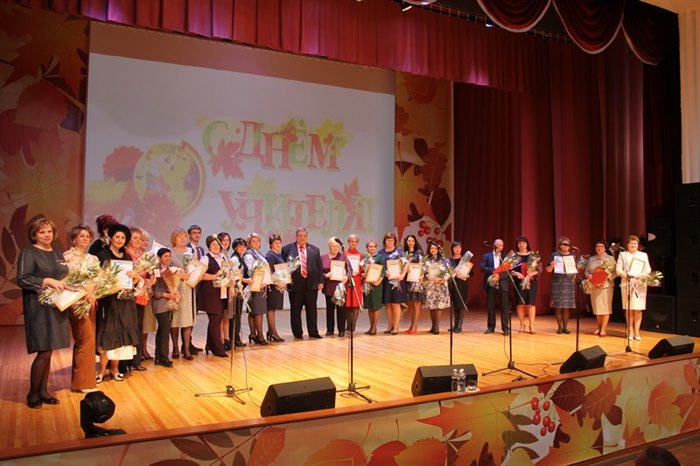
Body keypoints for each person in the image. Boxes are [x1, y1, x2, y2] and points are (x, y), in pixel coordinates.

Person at [17, 218, 69, 408]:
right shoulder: (29, 253)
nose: (46, 235)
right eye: (42, 232)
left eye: (49, 231)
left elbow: (64, 277)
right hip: (39, 308)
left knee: (50, 350)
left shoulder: (57, 253)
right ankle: (33, 393)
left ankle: (43, 391)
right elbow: (23, 279)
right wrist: (46, 281)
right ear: (34, 235)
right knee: (44, 350)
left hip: (57, 306)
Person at [95, 224, 142, 383]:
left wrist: (134, 277)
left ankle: (115, 369)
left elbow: (131, 283)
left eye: (123, 237)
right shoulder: (102, 255)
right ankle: (102, 370)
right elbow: (99, 279)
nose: (120, 240)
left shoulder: (127, 257)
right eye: (117, 237)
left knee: (120, 334)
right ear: (111, 238)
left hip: (125, 301)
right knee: (107, 333)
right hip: (109, 300)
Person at [63, 224, 100, 393]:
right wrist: (84, 293)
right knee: (84, 340)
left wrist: (94, 294)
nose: (85, 238)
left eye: (87, 236)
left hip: (91, 301)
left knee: (89, 340)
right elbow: (67, 280)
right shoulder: (67, 257)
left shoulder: (93, 258)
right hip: (76, 302)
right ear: (74, 239)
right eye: (81, 236)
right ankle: (82, 383)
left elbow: (98, 280)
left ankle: (86, 380)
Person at [281, 228, 324, 340]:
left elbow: (319, 267)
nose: (302, 238)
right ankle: (297, 333)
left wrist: (320, 281)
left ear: (307, 237)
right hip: (295, 285)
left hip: (311, 285)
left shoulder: (314, 249)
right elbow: (283, 267)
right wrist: (284, 281)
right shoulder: (287, 249)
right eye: (300, 235)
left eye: (304, 236)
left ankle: (313, 332)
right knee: (295, 311)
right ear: (296, 236)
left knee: (312, 310)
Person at [123, 226, 149, 372]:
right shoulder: (125, 254)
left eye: (140, 238)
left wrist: (149, 281)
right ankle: (125, 362)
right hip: (128, 295)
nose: (138, 241)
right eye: (135, 238)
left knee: (139, 327)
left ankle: (136, 360)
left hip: (141, 295)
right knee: (129, 327)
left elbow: (146, 275)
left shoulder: (142, 256)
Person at [616, 234, 652, 341]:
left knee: (638, 309)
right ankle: (630, 330)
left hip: (639, 284)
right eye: (631, 243)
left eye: (635, 243)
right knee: (629, 308)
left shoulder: (643, 255)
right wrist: (627, 276)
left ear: (638, 245)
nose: (633, 245)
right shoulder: (623, 255)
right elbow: (618, 270)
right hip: (627, 283)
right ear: (627, 245)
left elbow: (648, 269)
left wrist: (640, 276)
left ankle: (637, 331)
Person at [199, 235, 229, 357]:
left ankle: (210, 346)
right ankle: (218, 349)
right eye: (213, 244)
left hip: (222, 292)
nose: (216, 247)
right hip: (210, 294)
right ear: (209, 246)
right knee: (215, 320)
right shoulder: (205, 258)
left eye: (218, 244)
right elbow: (201, 275)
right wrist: (215, 276)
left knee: (216, 319)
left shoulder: (223, 257)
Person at [169, 228, 196, 360]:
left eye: (184, 236)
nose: (182, 239)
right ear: (174, 238)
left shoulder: (190, 252)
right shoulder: (170, 252)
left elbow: (196, 268)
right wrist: (179, 275)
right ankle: (175, 347)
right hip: (174, 287)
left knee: (187, 319)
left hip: (188, 287)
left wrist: (195, 276)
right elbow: (166, 270)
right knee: (174, 319)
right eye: (179, 236)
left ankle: (186, 348)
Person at [150, 248, 177, 367]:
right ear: (160, 257)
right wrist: (168, 295)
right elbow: (155, 291)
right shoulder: (155, 270)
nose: (168, 258)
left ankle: (158, 357)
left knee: (162, 330)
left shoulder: (172, 269)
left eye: (169, 256)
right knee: (165, 330)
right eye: (165, 256)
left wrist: (175, 293)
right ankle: (164, 357)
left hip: (169, 302)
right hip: (160, 303)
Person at [546, 236, 577, 334]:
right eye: (563, 244)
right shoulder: (555, 255)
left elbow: (575, 269)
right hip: (557, 282)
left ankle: (565, 327)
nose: (565, 246)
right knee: (558, 306)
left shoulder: (572, 256)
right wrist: (552, 265)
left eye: (567, 244)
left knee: (566, 306)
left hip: (569, 282)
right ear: (559, 245)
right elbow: (548, 270)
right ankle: (559, 327)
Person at [243, 232, 270, 345]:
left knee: (255, 311)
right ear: (249, 243)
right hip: (255, 286)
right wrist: (259, 282)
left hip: (261, 285)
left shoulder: (258, 253)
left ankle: (253, 334)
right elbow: (251, 271)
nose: (256, 243)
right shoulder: (248, 255)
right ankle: (259, 336)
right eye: (253, 241)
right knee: (257, 312)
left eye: (258, 241)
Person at [586, 240, 616, 337]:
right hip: (594, 285)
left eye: (601, 246)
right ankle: (599, 328)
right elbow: (586, 271)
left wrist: (607, 278)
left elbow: (615, 272)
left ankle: (603, 329)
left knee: (605, 308)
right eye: (597, 246)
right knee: (597, 308)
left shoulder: (610, 258)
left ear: (605, 248)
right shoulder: (591, 259)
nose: (599, 248)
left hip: (606, 286)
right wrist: (589, 276)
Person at [511, 236, 541, 334]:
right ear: (517, 245)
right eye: (519, 243)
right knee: (520, 304)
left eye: (523, 242)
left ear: (527, 244)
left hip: (531, 281)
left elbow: (539, 268)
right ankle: (521, 325)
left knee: (531, 303)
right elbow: (508, 270)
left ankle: (531, 326)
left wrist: (532, 273)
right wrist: (516, 273)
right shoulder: (513, 256)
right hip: (518, 282)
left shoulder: (533, 255)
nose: (521, 245)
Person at [480, 239, 510, 335]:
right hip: (491, 283)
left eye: (501, 245)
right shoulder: (486, 256)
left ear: (503, 247)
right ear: (493, 245)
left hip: (503, 283)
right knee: (491, 306)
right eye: (497, 244)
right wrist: (494, 271)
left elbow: (509, 271)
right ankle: (491, 327)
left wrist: (499, 276)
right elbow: (482, 267)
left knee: (504, 306)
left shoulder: (506, 257)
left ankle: (505, 328)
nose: (498, 246)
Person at [378, 232, 405, 335]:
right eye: (387, 240)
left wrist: (402, 275)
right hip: (386, 280)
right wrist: (384, 272)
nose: (389, 242)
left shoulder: (399, 251)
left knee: (395, 303)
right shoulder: (381, 252)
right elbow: (379, 266)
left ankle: (396, 326)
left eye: (392, 240)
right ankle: (390, 325)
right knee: (388, 303)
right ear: (384, 241)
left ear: (395, 241)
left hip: (397, 280)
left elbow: (406, 264)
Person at [321, 237, 348, 337]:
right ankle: (330, 330)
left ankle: (341, 330)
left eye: (337, 246)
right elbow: (319, 272)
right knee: (330, 309)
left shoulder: (343, 257)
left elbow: (350, 270)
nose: (335, 248)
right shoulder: (323, 257)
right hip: (329, 287)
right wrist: (325, 275)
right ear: (329, 246)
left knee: (341, 309)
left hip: (340, 286)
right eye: (333, 246)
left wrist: (346, 277)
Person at [423, 241, 451, 334]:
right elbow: (424, 272)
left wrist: (444, 278)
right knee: (432, 306)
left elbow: (449, 272)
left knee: (439, 306)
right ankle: (433, 326)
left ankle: (437, 327)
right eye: (431, 248)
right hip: (431, 285)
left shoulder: (444, 260)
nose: (433, 250)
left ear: (439, 250)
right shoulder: (426, 260)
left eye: (435, 248)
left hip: (440, 285)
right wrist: (428, 276)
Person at [186, 224, 205, 354]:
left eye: (199, 233)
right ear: (189, 235)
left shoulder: (201, 249)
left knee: (194, 315)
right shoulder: (187, 249)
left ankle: (190, 343)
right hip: (189, 284)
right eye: (194, 233)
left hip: (199, 286)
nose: (197, 235)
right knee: (188, 316)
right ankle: (186, 345)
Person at [265, 233, 286, 342]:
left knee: (273, 309)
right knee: (271, 309)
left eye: (279, 242)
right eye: (275, 243)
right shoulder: (270, 255)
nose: (278, 245)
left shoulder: (278, 254)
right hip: (272, 287)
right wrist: (277, 282)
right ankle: (273, 333)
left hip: (278, 286)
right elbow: (268, 272)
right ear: (271, 244)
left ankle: (271, 332)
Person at [139, 228, 156, 361]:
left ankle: (144, 348)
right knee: (139, 322)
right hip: (137, 293)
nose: (145, 242)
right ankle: (139, 350)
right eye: (143, 240)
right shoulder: (134, 256)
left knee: (146, 323)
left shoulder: (149, 257)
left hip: (148, 294)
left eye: (147, 240)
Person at [363, 240, 385, 335]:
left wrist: (379, 281)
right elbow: (362, 269)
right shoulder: (365, 258)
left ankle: (374, 327)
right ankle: (371, 327)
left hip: (376, 284)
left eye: (374, 246)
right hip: (367, 284)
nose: (372, 248)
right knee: (370, 306)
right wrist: (363, 274)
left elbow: (383, 270)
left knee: (375, 306)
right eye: (370, 246)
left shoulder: (380, 257)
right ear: (367, 248)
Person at [403, 234, 424, 335]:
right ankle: (412, 326)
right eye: (408, 241)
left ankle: (414, 326)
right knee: (410, 304)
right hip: (407, 281)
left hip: (416, 280)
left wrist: (422, 275)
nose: (410, 242)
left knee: (416, 304)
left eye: (412, 241)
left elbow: (423, 266)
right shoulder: (404, 253)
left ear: (415, 242)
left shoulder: (419, 253)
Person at [448, 241, 470, 333]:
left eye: (459, 247)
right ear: (452, 249)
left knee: (460, 304)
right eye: (456, 247)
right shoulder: (449, 260)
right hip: (452, 284)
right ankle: (455, 324)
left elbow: (470, 273)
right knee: (454, 304)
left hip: (462, 284)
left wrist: (465, 275)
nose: (457, 249)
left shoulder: (465, 260)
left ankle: (459, 325)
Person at [230, 237, 248, 347]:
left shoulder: (240, 258)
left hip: (239, 290)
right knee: (235, 315)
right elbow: (235, 275)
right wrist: (246, 280)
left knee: (237, 315)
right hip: (236, 290)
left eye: (244, 246)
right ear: (235, 247)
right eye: (239, 246)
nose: (242, 248)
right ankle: (235, 339)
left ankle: (236, 338)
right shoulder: (235, 259)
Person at [217, 232, 234, 350]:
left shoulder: (227, 256)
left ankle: (227, 339)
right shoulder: (218, 256)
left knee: (227, 316)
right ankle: (221, 340)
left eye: (228, 240)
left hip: (229, 288)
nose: (226, 242)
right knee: (220, 316)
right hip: (220, 289)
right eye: (223, 240)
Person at [344, 234, 364, 333]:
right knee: (348, 304)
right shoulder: (344, 253)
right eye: (352, 241)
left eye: (355, 242)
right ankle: (348, 326)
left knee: (356, 304)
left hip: (357, 280)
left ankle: (353, 327)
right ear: (348, 242)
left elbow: (362, 269)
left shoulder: (360, 254)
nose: (353, 243)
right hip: (347, 280)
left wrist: (359, 272)